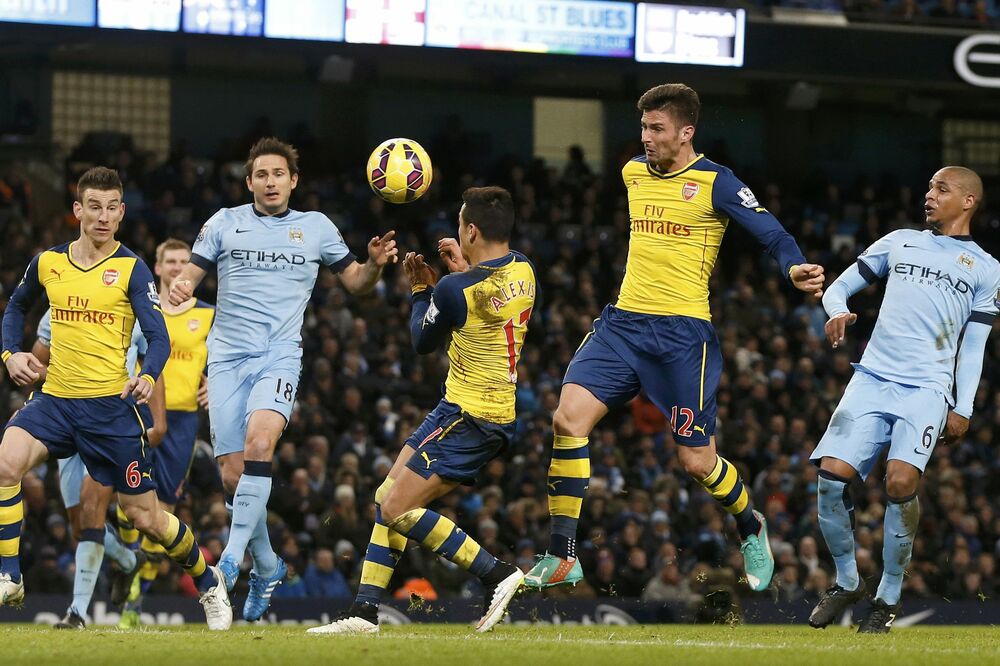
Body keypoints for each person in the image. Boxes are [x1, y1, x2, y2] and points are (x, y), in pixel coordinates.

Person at [525, 83, 825, 593]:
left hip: (684, 336)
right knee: (566, 419)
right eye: (643, 127)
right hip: (622, 325)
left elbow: (772, 233)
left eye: (657, 128)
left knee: (696, 462)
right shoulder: (632, 173)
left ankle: (751, 525)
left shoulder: (717, 182)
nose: (645, 138)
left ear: (686, 133)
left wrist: (795, 266)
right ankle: (562, 554)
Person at [168, 137, 397, 621]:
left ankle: (230, 560)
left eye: (279, 174)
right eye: (261, 175)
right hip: (226, 360)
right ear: (249, 182)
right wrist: (182, 285)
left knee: (260, 443)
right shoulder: (224, 223)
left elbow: (354, 281)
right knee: (233, 476)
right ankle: (269, 565)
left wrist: (374, 265)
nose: (270, 182)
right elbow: (190, 274)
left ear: (294, 180)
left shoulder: (315, 229)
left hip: (278, 357)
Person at [0, 167, 231, 630]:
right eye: (94, 207)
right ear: (78, 210)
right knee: (6, 464)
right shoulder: (49, 262)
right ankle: (9, 575)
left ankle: (209, 584)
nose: (103, 217)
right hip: (56, 402)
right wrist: (10, 354)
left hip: (111, 411)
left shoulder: (130, 268)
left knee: (145, 516)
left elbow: (159, 337)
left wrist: (147, 375)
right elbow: (15, 306)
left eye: (112, 208)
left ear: (122, 213)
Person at [308, 186, 533, 635]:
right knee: (384, 497)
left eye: (459, 225)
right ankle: (365, 613)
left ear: (470, 229)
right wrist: (463, 270)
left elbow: (421, 342)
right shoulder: (524, 268)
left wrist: (420, 290)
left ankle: (498, 573)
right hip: (473, 409)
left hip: (470, 417)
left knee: (393, 508)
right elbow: (489, 298)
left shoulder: (453, 289)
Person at [808, 166, 998, 633]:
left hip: (928, 389)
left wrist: (963, 408)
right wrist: (837, 312)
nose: (929, 195)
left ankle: (888, 595)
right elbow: (839, 288)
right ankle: (848, 581)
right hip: (872, 378)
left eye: (941, 189)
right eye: (929, 187)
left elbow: (974, 347)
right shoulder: (898, 241)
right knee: (831, 479)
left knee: (899, 482)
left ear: (968, 201)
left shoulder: (988, 269)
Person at [32, 309, 166, 628]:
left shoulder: (129, 308)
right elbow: (38, 363)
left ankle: (77, 612)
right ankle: (129, 560)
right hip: (66, 419)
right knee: (79, 528)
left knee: (93, 507)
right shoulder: (57, 309)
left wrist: (159, 420)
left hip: (110, 422)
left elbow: (153, 365)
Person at [118, 238, 214, 629]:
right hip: (138, 409)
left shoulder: (208, 314)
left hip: (184, 419)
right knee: (128, 502)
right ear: (157, 268)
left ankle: (135, 597)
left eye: (183, 262)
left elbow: (227, 358)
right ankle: (127, 557)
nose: (177, 268)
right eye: (170, 261)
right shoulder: (141, 308)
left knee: (166, 512)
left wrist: (216, 383)